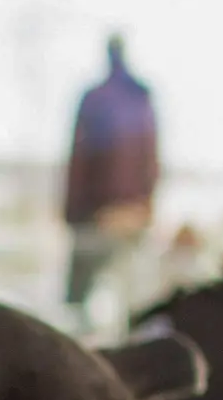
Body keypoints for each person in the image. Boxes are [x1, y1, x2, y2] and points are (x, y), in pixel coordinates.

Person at [62, 34, 161, 336]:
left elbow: (79, 161)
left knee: (80, 310)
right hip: (125, 216)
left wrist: (74, 214)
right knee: (131, 308)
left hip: (100, 217)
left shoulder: (95, 98)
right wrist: (143, 206)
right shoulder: (139, 97)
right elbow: (151, 158)